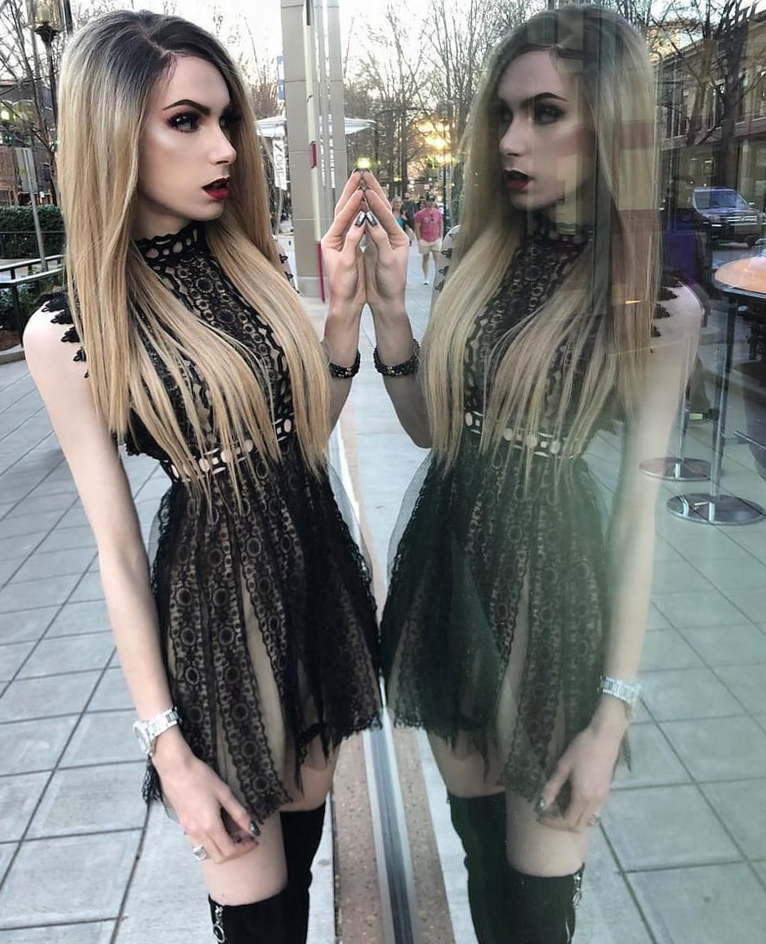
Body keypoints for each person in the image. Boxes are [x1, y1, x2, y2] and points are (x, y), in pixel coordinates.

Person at [326, 6, 703, 942]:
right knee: (482, 862)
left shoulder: (655, 306)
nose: (510, 141)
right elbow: (435, 434)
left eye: (545, 113)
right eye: (503, 114)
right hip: (453, 584)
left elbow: (638, 521)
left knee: (538, 906)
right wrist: (392, 318)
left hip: (556, 607)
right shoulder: (482, 262)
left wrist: (612, 716)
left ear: (610, 125)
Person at [22, 11, 380, 943]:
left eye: (226, 120)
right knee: (257, 915)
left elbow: (296, 444)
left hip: (312, 595)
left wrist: (343, 321)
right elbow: (116, 551)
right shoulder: (72, 327)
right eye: (186, 121)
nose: (224, 147)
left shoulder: (247, 262)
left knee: (300, 875)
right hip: (218, 630)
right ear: (112, 131)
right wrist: (167, 749)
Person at [414, 194, 444, 284]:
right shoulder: (420, 214)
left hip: (436, 238)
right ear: (426, 201)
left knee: (437, 258)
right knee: (425, 258)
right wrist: (419, 239)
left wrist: (441, 236)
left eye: (432, 200)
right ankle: (426, 277)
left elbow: (441, 224)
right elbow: (417, 227)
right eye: (429, 201)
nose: (430, 203)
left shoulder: (438, 213)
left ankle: (437, 277)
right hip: (425, 239)